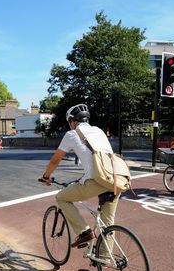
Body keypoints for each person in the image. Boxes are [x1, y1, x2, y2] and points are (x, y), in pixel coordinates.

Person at [40, 104, 119, 250]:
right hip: (115, 179)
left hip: (96, 180)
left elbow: (55, 160)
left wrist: (46, 176)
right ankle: (105, 259)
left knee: (61, 197)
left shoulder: (72, 134)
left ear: (72, 121)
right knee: (108, 223)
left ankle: (84, 232)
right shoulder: (99, 131)